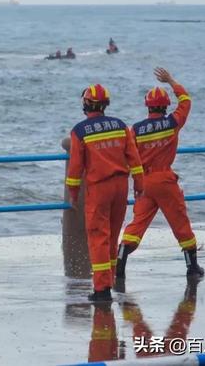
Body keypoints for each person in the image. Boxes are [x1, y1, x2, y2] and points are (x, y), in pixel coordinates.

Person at [116, 68, 204, 280]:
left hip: (144, 181)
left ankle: (119, 265)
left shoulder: (135, 130)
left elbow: (127, 155)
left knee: (137, 223)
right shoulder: (172, 122)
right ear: (165, 106)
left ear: (147, 106)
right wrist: (171, 81)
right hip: (164, 179)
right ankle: (192, 268)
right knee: (179, 221)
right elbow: (186, 101)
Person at [65, 84, 144, 302]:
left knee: (98, 236)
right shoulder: (120, 126)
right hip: (121, 186)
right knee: (111, 235)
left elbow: (75, 168)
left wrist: (72, 191)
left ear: (86, 104)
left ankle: (101, 289)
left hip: (99, 188)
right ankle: (108, 279)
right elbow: (134, 158)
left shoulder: (80, 131)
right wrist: (139, 183)